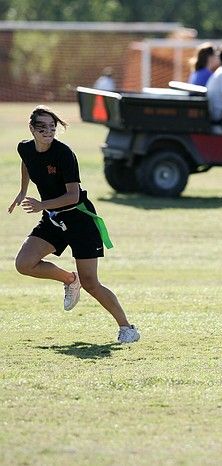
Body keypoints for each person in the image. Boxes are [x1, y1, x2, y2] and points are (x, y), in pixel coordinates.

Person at [7, 106, 139, 344]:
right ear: (32, 129)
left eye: (52, 127)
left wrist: (41, 204)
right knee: (24, 264)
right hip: (54, 219)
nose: (48, 131)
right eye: (42, 127)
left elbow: (73, 196)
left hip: (79, 220)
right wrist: (23, 191)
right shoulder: (24, 147)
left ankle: (127, 327)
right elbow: (27, 162)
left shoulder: (64, 154)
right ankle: (69, 279)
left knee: (91, 283)